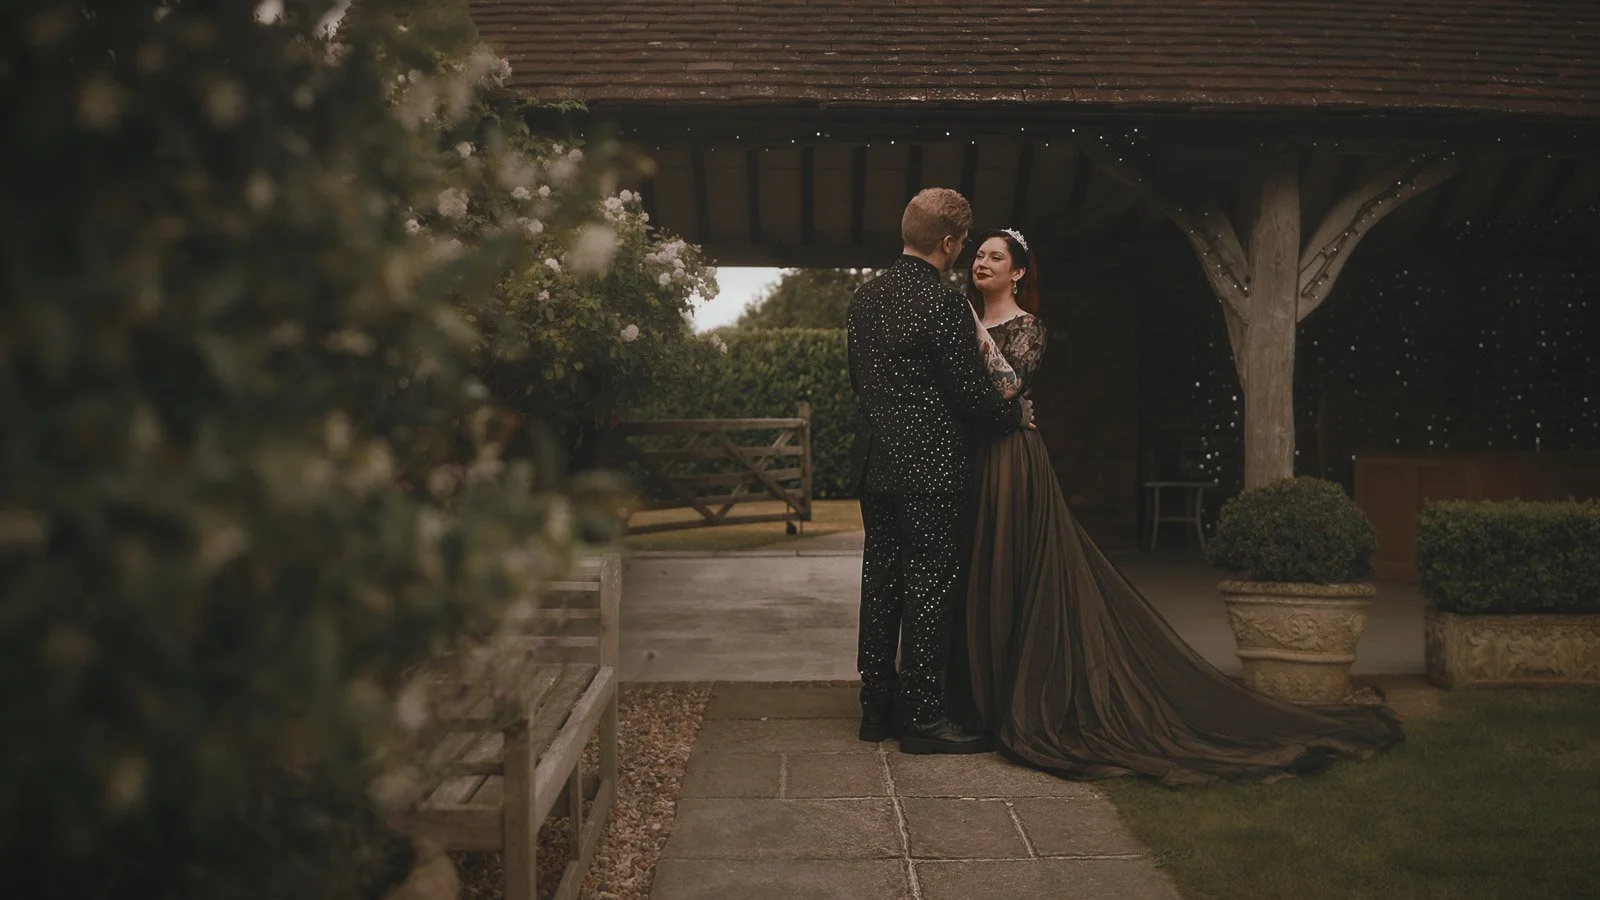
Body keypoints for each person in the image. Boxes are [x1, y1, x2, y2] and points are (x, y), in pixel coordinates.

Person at [947, 228, 1403, 785]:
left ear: (1018, 272)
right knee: (976, 573)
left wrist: (973, 333)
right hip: (972, 460)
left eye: (995, 256)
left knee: (1014, 570)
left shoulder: (1026, 327)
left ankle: (1019, 702)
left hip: (1014, 463)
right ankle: (978, 702)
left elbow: (1009, 386)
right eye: (978, 255)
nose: (982, 262)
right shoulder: (959, 322)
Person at [846, 190, 1033, 755]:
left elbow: (861, 381)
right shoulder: (943, 303)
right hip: (929, 468)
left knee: (880, 582)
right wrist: (1010, 415)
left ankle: (876, 709)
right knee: (929, 585)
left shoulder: (865, 297)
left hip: (874, 462)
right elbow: (971, 392)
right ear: (950, 243)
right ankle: (925, 719)